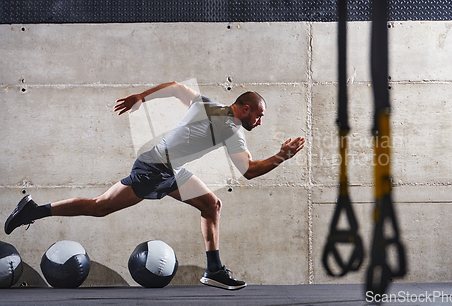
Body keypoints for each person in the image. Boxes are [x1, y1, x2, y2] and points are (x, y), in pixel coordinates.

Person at [4, 81, 305, 290]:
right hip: (154, 169)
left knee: (211, 204)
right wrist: (282, 155)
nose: (261, 121)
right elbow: (249, 171)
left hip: (169, 169)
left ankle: (214, 270)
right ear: (245, 109)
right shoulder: (231, 129)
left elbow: (176, 88)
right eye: (260, 115)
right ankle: (35, 211)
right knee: (100, 208)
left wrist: (140, 97)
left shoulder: (207, 105)